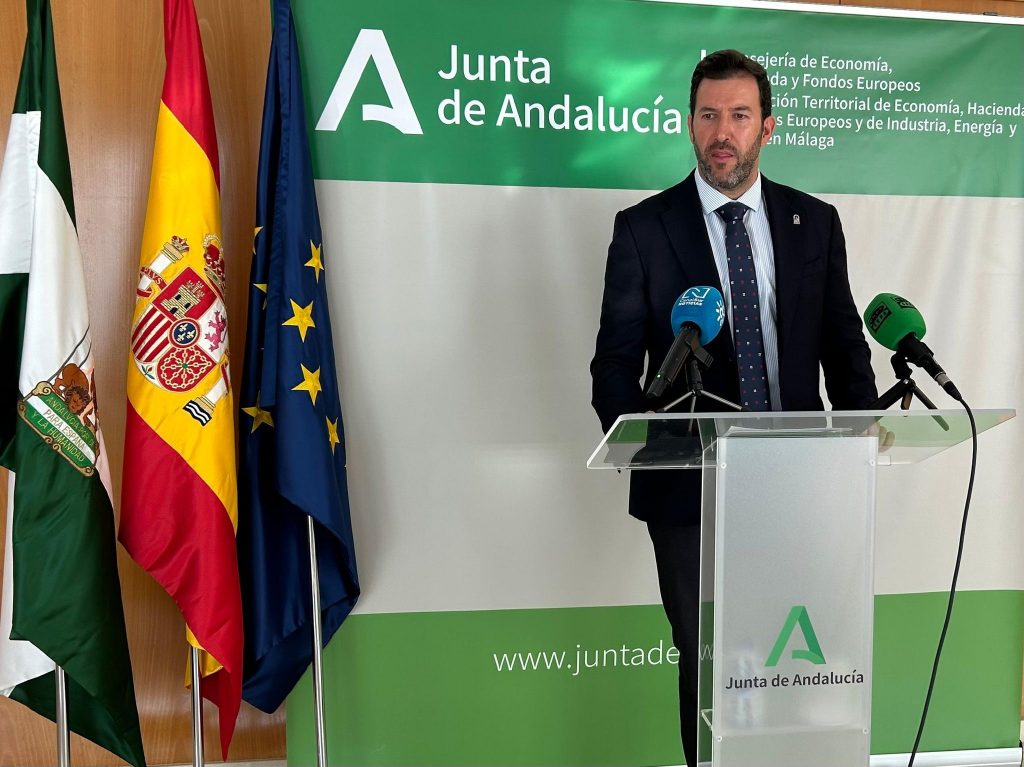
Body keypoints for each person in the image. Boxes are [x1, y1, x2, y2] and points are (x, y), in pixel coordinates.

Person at [590, 49, 877, 766]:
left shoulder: (816, 222)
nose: (723, 131)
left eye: (740, 116)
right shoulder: (643, 230)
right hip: (692, 490)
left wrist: (864, 436)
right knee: (710, 660)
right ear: (690, 124)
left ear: (767, 127)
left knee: (801, 657)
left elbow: (845, 349)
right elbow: (615, 364)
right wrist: (651, 444)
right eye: (710, 115)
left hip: (803, 485)